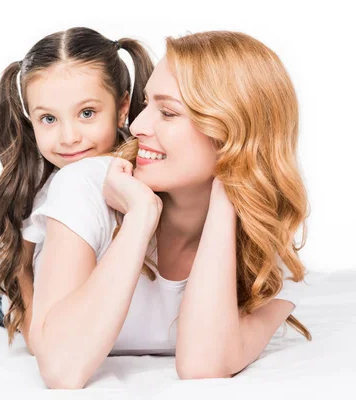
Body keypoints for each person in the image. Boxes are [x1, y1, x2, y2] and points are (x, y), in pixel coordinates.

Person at [27, 31, 312, 389]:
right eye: (147, 106)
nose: (136, 126)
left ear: (230, 135)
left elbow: (202, 365)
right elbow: (60, 368)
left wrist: (229, 192)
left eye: (167, 112)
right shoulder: (87, 184)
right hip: (14, 273)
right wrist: (140, 216)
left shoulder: (266, 242)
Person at [0, 27, 154, 352]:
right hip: (4, 281)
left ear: (122, 108)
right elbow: (26, 289)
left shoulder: (148, 162)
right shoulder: (44, 185)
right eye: (48, 119)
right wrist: (37, 332)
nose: (68, 137)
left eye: (87, 113)